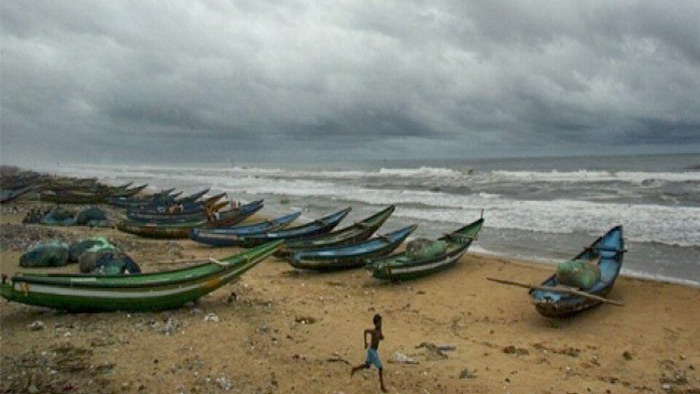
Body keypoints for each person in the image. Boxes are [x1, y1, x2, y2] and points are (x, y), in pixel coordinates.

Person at [351, 314, 388, 392]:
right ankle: (382, 386)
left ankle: (355, 369)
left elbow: (381, 337)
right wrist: (365, 342)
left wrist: (381, 336)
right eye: (380, 322)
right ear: (376, 323)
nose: (381, 324)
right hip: (372, 351)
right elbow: (365, 331)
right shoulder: (373, 331)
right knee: (380, 368)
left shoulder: (378, 331)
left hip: (373, 351)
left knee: (367, 365)